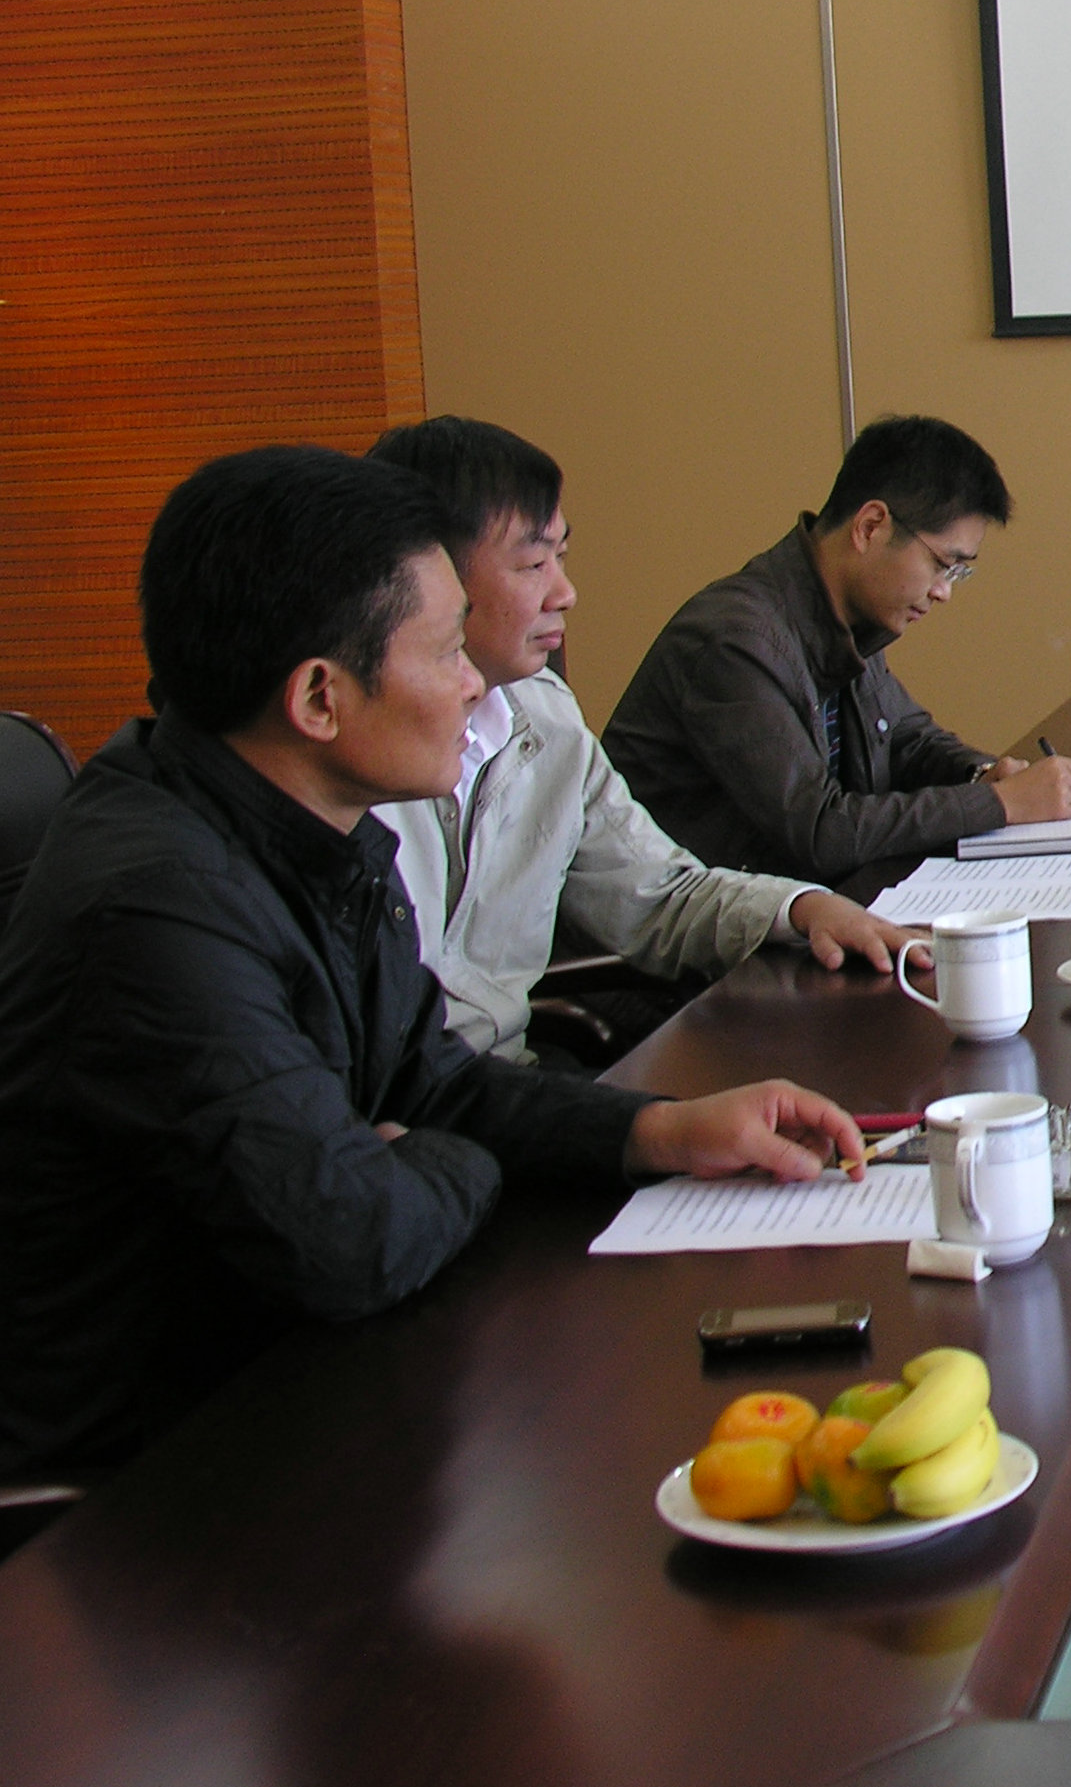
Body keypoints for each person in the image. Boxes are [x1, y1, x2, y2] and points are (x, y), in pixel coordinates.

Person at [0, 448, 866, 1480]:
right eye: (449, 649)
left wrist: (662, 1129)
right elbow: (351, 1234)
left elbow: (433, 1083)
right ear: (319, 697)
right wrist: (438, 1160)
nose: (474, 684)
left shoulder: (318, 825)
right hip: (156, 1479)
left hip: (312, 1372)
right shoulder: (157, 907)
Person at [363, 417, 922, 1063]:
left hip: (507, 1085)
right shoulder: (357, 763)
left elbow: (658, 893)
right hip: (421, 1104)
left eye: (561, 558)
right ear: (428, 575)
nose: (565, 593)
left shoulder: (545, 715)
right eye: (533, 564)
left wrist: (802, 909)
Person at [603, 416, 1071, 883]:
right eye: (943, 564)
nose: (944, 591)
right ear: (871, 526)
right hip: (688, 931)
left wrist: (983, 775)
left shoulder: (843, 614)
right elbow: (819, 831)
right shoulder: (734, 641)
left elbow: (906, 740)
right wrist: (1001, 804)